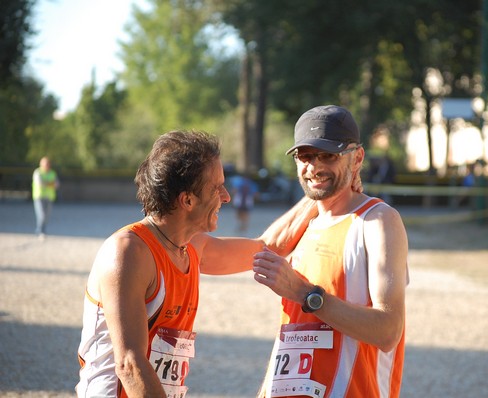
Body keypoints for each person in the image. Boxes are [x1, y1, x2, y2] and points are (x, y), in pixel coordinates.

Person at [76, 130, 319, 397]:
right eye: (217, 188)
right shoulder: (128, 252)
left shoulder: (191, 247)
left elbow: (267, 248)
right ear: (187, 200)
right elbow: (130, 365)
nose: (226, 196)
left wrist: (320, 191)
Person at [253, 105, 409, 398]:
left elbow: (388, 331)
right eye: (306, 156)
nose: (314, 166)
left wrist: (305, 294)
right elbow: (293, 331)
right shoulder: (304, 227)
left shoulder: (377, 221)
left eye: (328, 155)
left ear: (357, 158)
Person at [32, 156, 59, 238]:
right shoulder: (38, 172)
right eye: (45, 164)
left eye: (48, 164)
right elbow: (40, 184)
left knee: (46, 216)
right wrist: (50, 184)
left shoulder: (52, 173)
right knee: (41, 215)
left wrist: (47, 184)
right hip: (39, 197)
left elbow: (57, 184)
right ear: (41, 164)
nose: (47, 165)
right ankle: (39, 230)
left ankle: (43, 230)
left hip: (49, 197)